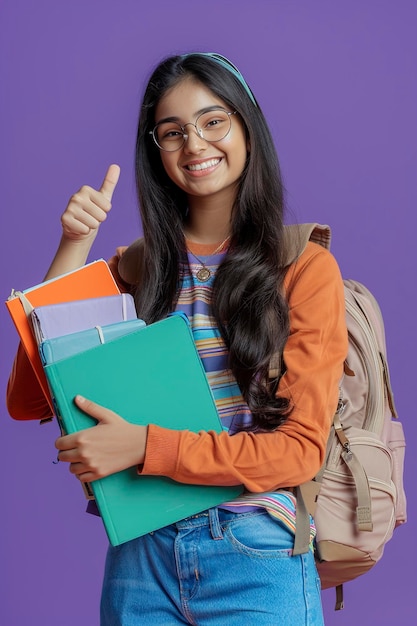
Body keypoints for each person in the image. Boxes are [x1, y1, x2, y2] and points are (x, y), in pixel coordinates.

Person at [7, 52, 348, 625]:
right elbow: (27, 399)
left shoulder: (303, 268)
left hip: (256, 553)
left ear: (246, 125)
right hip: (140, 557)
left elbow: (298, 451)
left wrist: (145, 446)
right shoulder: (137, 270)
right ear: (155, 149)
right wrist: (72, 247)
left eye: (213, 121)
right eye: (172, 132)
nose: (194, 144)